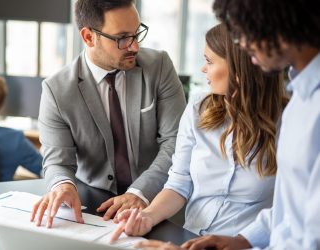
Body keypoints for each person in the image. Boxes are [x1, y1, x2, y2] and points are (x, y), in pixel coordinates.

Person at [135, 0, 320, 249]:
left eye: (248, 30)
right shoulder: (302, 101)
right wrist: (240, 241)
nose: (243, 43)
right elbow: (288, 213)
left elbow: (309, 237)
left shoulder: (301, 111)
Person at [110, 23, 287, 243]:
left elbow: (290, 208)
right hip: (189, 239)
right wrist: (147, 216)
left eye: (210, 61)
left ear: (240, 70)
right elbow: (178, 184)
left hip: (247, 245)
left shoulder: (288, 121)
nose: (203, 69)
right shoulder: (198, 108)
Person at [30, 0, 186, 228]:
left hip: (157, 202)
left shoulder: (159, 66)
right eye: (122, 38)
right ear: (88, 37)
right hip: (95, 207)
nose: (134, 47)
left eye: (136, 33)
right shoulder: (57, 90)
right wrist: (63, 185)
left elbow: (176, 142)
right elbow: (57, 160)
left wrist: (139, 193)